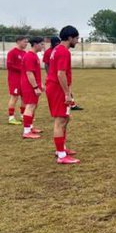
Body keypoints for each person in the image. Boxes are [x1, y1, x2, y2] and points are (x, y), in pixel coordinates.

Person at [45, 25, 80, 165]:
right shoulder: (63, 52)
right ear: (70, 38)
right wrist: (67, 94)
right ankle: (61, 155)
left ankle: (62, 149)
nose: (77, 41)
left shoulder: (57, 49)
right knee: (60, 120)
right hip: (57, 89)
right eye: (76, 38)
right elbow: (60, 73)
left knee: (65, 118)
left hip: (55, 87)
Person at [20, 36, 45, 139]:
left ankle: (30, 127)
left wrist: (40, 85)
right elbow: (29, 73)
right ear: (35, 44)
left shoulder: (34, 55)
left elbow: (35, 73)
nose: (43, 46)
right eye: (41, 44)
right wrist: (35, 87)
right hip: (29, 86)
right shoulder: (30, 56)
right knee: (30, 106)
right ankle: (26, 131)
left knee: (33, 106)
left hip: (33, 85)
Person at [6, 34, 28, 124]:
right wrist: (22, 69)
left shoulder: (25, 53)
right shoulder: (12, 52)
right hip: (14, 79)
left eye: (27, 42)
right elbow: (9, 65)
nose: (26, 44)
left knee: (24, 98)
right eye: (24, 42)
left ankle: (23, 115)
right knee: (14, 97)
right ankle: (11, 118)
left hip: (23, 79)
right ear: (18, 42)